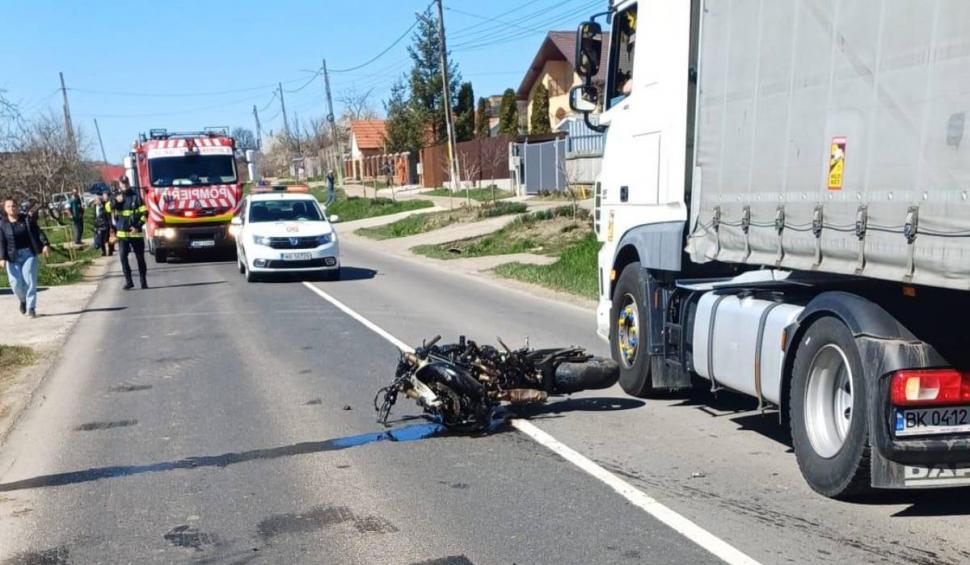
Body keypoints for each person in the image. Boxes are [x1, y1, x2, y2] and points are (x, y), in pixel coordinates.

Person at [0, 197, 51, 318]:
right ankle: (23, 300)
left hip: (29, 254)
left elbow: (38, 232)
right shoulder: (2, 224)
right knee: (15, 284)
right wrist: (2, 257)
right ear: (5, 209)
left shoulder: (27, 219)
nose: (12, 208)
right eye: (8, 206)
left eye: (14, 206)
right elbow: (1, 241)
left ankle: (31, 307)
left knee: (30, 281)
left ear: (17, 207)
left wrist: (45, 245)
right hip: (12, 256)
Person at [107, 177, 148, 290]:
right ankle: (129, 281)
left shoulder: (136, 197)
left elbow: (145, 214)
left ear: (129, 183)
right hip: (122, 235)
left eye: (126, 183)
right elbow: (107, 208)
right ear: (120, 184)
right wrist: (116, 201)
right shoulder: (116, 196)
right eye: (122, 183)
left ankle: (143, 281)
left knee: (140, 259)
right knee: (123, 259)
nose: (124, 185)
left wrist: (137, 226)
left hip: (136, 233)